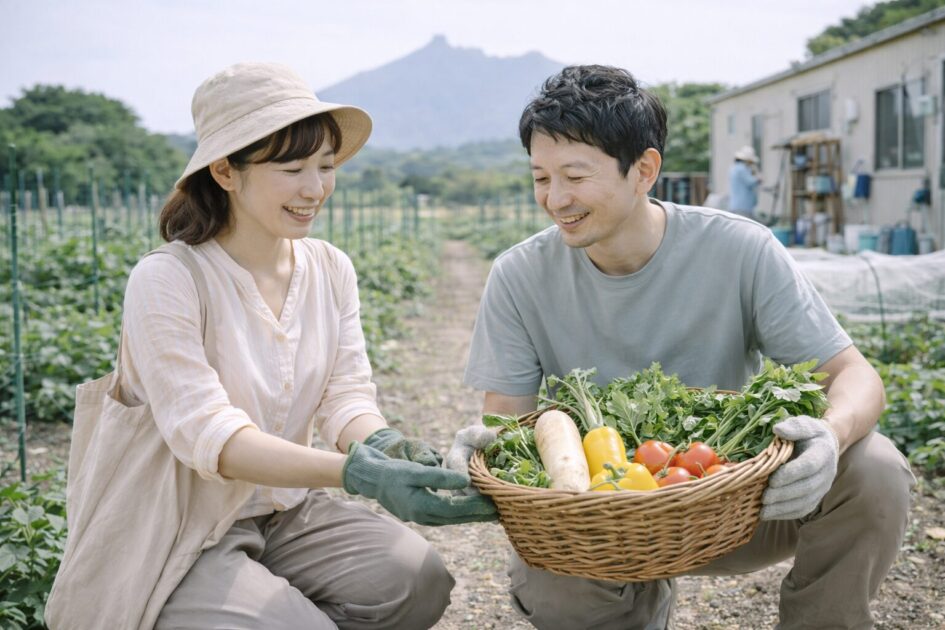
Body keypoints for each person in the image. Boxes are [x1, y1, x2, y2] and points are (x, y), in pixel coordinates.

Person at [446, 65, 914, 630]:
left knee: (876, 469)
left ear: (644, 170)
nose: (555, 198)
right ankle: (635, 607)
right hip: (601, 517)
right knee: (553, 583)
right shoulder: (520, 275)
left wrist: (829, 437)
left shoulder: (740, 249)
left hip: (734, 500)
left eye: (574, 175)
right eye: (541, 177)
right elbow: (508, 418)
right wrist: (489, 448)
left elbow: (853, 375)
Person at [47, 62, 495, 630]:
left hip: (285, 511)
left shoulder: (330, 268)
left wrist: (382, 443)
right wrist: (359, 475)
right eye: (292, 168)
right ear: (226, 172)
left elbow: (345, 394)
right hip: (182, 525)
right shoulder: (168, 279)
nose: (315, 188)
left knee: (416, 581)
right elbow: (211, 436)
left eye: (326, 166)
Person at [728, 145, 761, 217]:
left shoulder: (734, 168)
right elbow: (750, 182)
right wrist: (758, 179)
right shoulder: (742, 169)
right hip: (743, 207)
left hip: (736, 205)